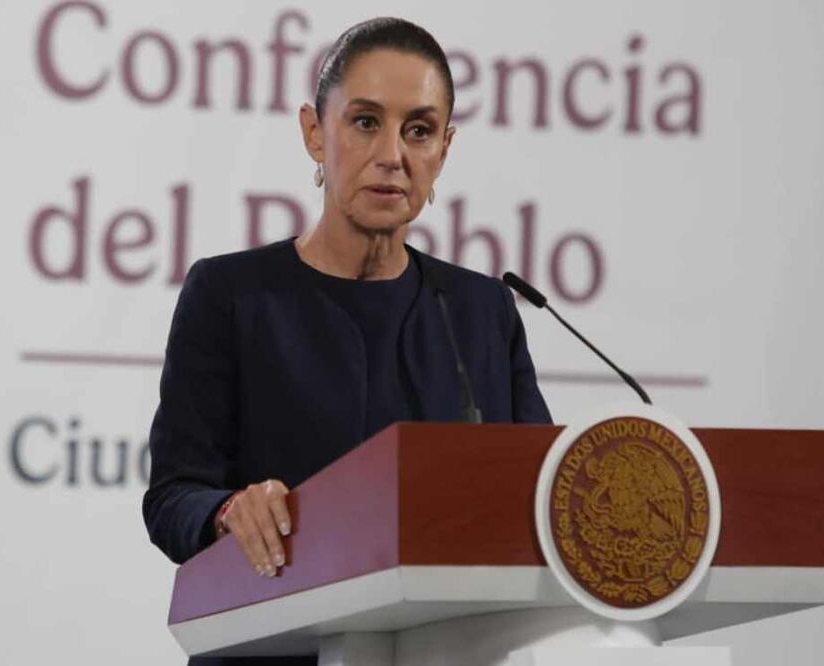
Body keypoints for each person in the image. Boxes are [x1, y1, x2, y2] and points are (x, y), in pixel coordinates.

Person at [142, 16, 552, 666]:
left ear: (444, 149)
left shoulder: (480, 312)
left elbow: (543, 496)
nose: (392, 154)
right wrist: (227, 511)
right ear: (314, 132)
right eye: (365, 122)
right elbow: (172, 497)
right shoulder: (231, 295)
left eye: (418, 130)